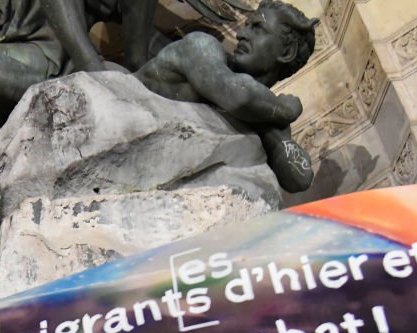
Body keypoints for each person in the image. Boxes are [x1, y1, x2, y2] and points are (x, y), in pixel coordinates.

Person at [133, 1, 318, 192]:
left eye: (257, 28)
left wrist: (267, 125)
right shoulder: (202, 46)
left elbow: (299, 179)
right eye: (247, 26)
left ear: (287, 52)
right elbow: (238, 95)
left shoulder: (265, 111)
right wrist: (283, 110)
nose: (240, 34)